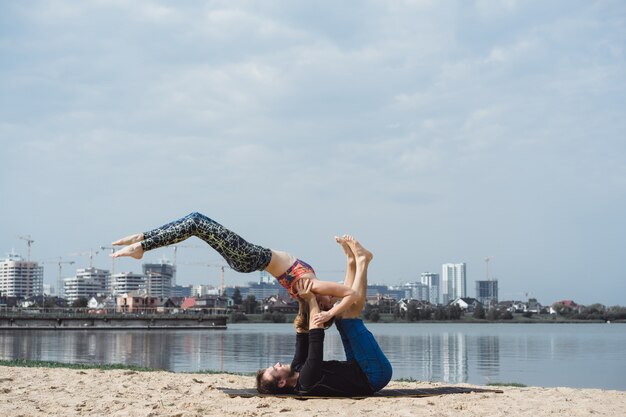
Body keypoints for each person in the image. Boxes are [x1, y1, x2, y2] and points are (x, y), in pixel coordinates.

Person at [111, 212, 358, 321]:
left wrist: (330, 313)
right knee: (195, 220)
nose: (332, 297)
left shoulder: (313, 288)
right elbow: (348, 286)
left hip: (249, 256)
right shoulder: (309, 291)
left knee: (197, 222)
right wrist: (350, 255)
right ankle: (143, 238)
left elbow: (351, 294)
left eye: (330, 301)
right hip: (249, 258)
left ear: (323, 304)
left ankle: (142, 245)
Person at [256, 236, 393, 396]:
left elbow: (303, 332)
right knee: (348, 317)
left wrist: (302, 301)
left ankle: (352, 262)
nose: (278, 364)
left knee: (342, 316)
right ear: (281, 382)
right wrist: (312, 300)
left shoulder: (297, 367)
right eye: (275, 369)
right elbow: (316, 337)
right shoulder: (306, 381)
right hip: (373, 376)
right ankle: (362, 261)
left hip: (356, 366)